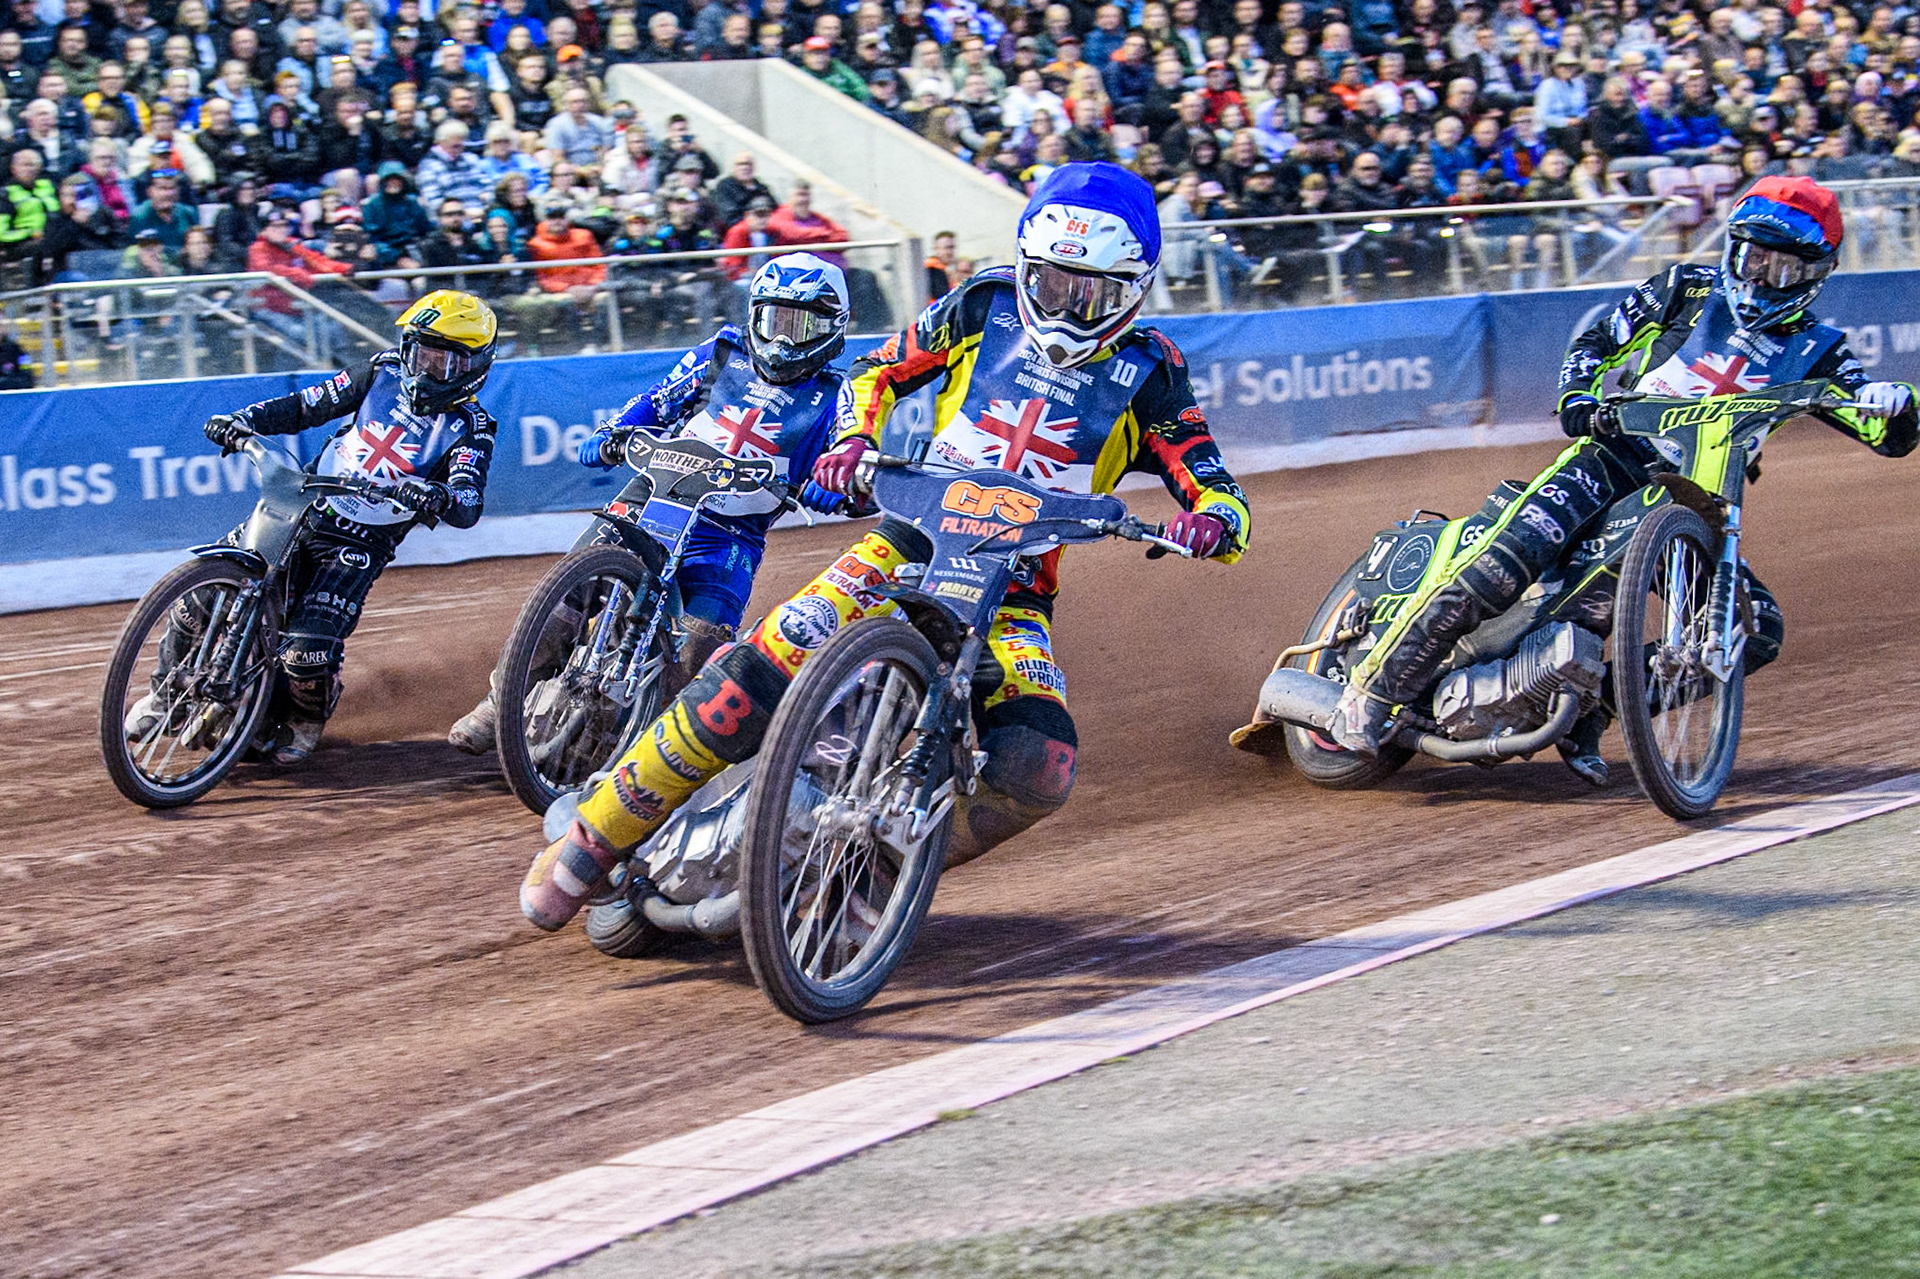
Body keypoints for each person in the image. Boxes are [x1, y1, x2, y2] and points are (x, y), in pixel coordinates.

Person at [519, 162, 1251, 932]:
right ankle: (589, 839)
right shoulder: (984, 302)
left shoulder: (1152, 371)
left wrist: (1214, 519)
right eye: (1049, 281)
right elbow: (879, 369)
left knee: (1041, 764)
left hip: (1017, 587)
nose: (1063, 304)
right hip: (908, 540)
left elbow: (1213, 480)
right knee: (749, 675)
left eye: (1088, 291)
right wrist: (853, 439)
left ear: (1132, 289)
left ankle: (876, 877)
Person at [1329, 177, 1919, 781]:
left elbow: (1887, 434)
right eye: (1751, 256)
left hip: (1698, 505)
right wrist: (1579, 397)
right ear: (1731, 248)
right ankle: (1373, 693)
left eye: (1783, 268)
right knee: (1508, 558)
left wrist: (1896, 402)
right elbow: (1595, 341)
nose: (1761, 276)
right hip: (1613, 457)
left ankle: (1599, 707)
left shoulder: (1823, 350)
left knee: (1755, 628)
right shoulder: (1685, 288)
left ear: (1817, 276)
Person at [448, 252, 853, 755]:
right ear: (754, 315)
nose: (784, 338)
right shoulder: (722, 352)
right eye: (775, 319)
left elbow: (849, 457)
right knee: (567, 594)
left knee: (699, 648)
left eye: (801, 324)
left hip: (730, 531)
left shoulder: (840, 393)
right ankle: (501, 700)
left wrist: (833, 486)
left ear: (832, 327)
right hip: (656, 490)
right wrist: (614, 431)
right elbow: (659, 399)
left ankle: (641, 753)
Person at [129, 293, 500, 766]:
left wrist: (436, 495)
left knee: (306, 653)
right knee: (198, 595)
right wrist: (245, 419)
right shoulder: (381, 371)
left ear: (473, 367)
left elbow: (468, 501)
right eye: (418, 351)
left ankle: (305, 719)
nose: (424, 368)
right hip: (305, 501)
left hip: (361, 542)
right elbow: (307, 405)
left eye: (441, 360)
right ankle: (163, 696)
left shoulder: (472, 426)